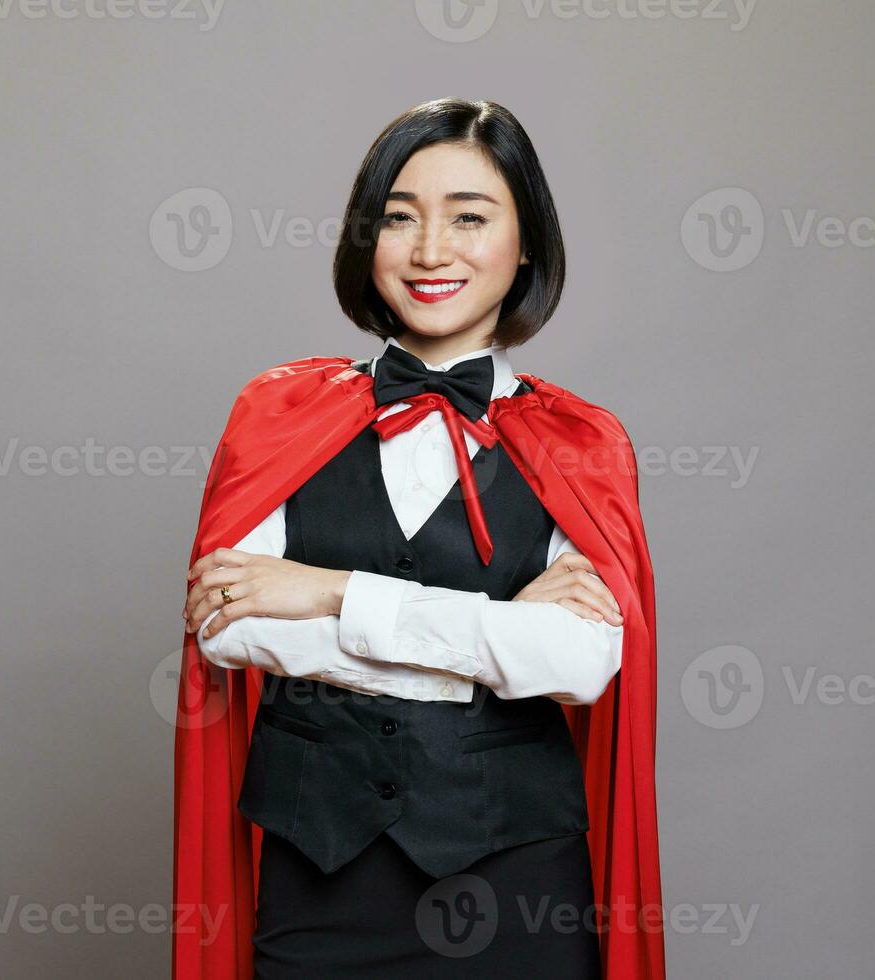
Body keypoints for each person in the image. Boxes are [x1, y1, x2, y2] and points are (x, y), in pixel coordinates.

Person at [173, 98, 663, 979]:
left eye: (469, 217)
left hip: (520, 891)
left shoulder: (581, 442)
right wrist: (497, 639)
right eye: (400, 218)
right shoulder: (276, 412)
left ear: (526, 248)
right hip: (317, 884)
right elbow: (230, 623)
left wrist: (330, 594)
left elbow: (582, 664)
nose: (432, 251)